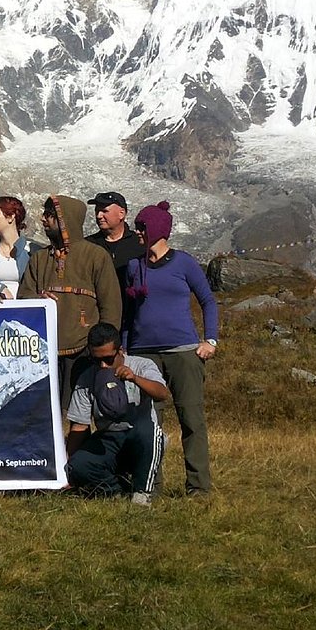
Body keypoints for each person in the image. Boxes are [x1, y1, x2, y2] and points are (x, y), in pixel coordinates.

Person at [123, 200, 219, 497]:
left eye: (142, 227)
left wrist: (210, 340)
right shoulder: (133, 266)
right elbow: (129, 312)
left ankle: (198, 487)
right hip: (143, 354)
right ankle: (152, 484)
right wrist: (125, 349)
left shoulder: (184, 262)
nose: (137, 232)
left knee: (191, 419)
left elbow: (208, 301)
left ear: (157, 230)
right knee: (148, 423)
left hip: (183, 352)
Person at [17, 194, 122, 407]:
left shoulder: (96, 255)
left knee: (80, 410)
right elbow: (23, 298)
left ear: (66, 220)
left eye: (50, 215)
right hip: (43, 350)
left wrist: (105, 349)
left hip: (84, 350)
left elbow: (110, 305)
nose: (43, 220)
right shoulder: (39, 258)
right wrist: (38, 300)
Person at [65, 322, 169, 505]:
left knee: (148, 431)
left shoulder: (141, 365)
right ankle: (114, 490)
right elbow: (80, 425)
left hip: (140, 437)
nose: (103, 365)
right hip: (108, 439)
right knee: (79, 465)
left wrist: (135, 379)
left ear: (120, 350)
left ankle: (142, 492)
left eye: (108, 359)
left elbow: (162, 394)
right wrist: (69, 466)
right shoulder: (87, 378)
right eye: (96, 360)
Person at [86, 191, 145, 294]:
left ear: (121, 214)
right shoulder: (88, 245)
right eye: (97, 211)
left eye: (104, 211)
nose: (99, 216)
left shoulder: (139, 243)